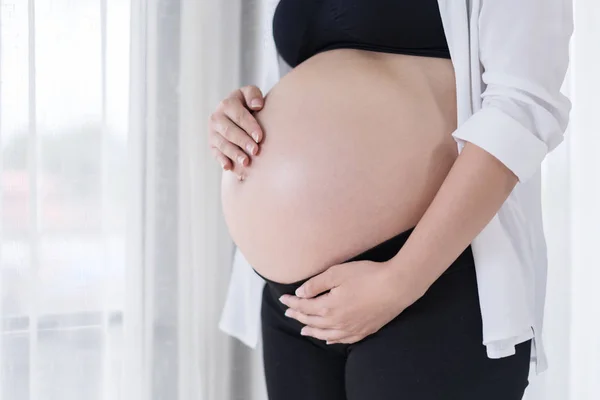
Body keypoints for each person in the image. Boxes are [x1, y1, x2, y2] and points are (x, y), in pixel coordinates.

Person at [211, 1, 573, 399]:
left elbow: (522, 109)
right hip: (296, 307)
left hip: (433, 285)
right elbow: (304, 78)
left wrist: (400, 281)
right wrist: (239, 118)